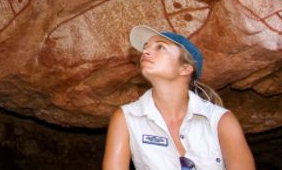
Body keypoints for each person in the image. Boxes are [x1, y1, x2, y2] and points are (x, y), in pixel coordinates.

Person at [102, 26, 255, 169]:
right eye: (145, 47)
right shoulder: (126, 118)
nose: (146, 52)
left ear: (185, 68)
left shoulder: (221, 121)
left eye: (160, 47)